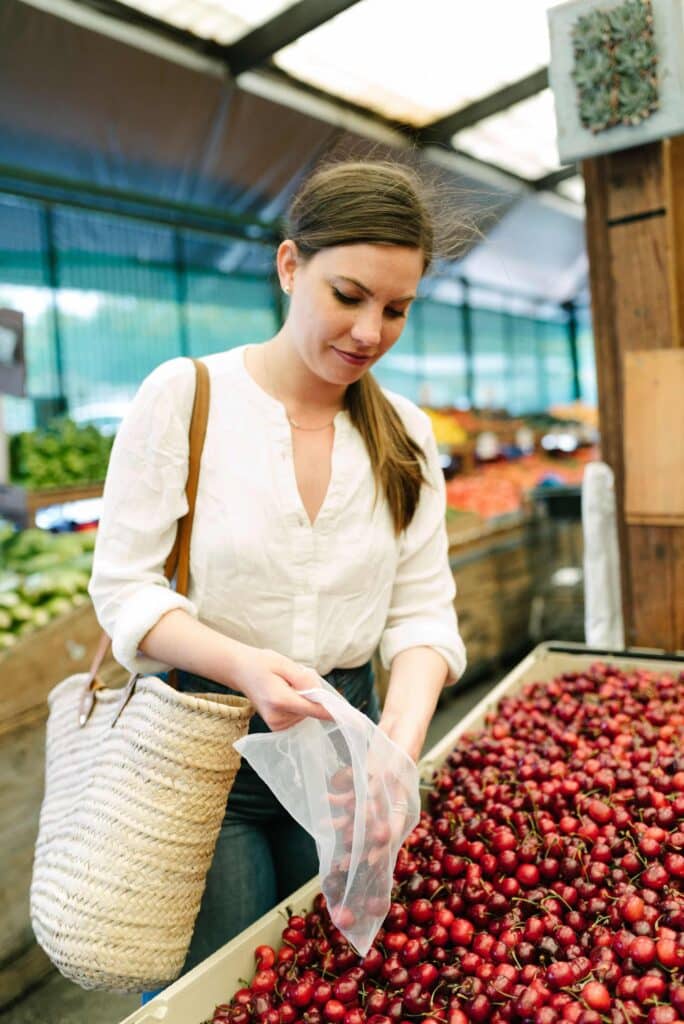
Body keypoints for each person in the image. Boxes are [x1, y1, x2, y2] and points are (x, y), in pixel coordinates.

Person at [88, 159, 466, 990]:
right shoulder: (187, 396)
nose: (371, 331)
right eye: (349, 294)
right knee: (224, 990)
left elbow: (422, 613)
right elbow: (125, 588)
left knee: (330, 988)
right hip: (203, 752)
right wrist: (245, 666)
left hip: (344, 755)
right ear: (291, 266)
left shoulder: (403, 432)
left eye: (396, 308)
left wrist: (393, 761)